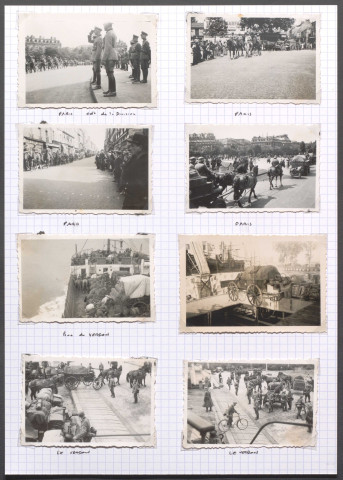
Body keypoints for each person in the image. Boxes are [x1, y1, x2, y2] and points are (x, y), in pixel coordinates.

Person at [122, 133, 149, 210]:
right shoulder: (135, 157)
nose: (130, 148)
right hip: (131, 197)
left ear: (140, 147)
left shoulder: (145, 160)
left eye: (133, 146)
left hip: (137, 200)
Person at [101, 22, 117, 97]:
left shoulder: (108, 34)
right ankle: (111, 90)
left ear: (107, 26)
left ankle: (113, 91)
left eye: (104, 25)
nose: (103, 26)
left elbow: (107, 48)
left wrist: (103, 59)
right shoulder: (112, 33)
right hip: (112, 55)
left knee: (110, 73)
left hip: (109, 56)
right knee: (110, 73)